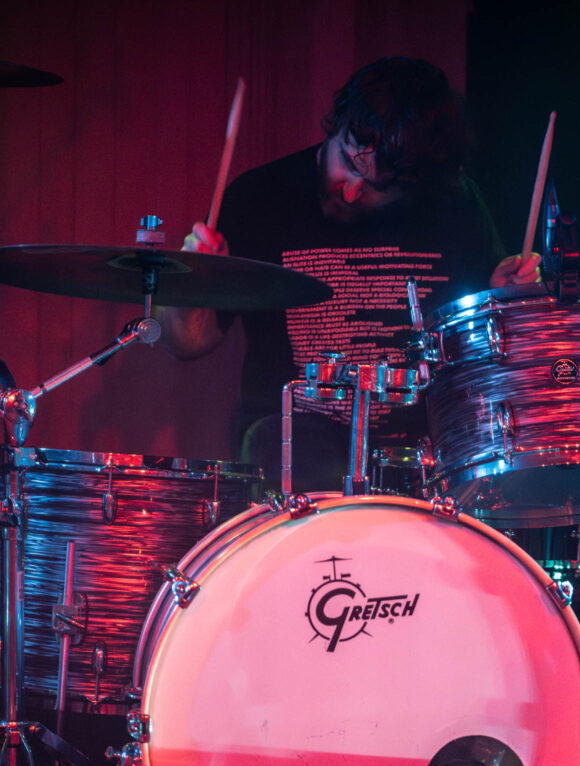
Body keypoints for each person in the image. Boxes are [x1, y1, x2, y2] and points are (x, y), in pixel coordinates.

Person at [160, 57, 540, 490]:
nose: (350, 190)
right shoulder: (260, 196)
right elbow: (186, 343)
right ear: (337, 125)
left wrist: (501, 298)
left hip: (422, 449)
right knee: (295, 459)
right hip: (292, 439)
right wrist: (192, 280)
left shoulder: (454, 205)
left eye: (376, 186)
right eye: (347, 160)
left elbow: (485, 346)